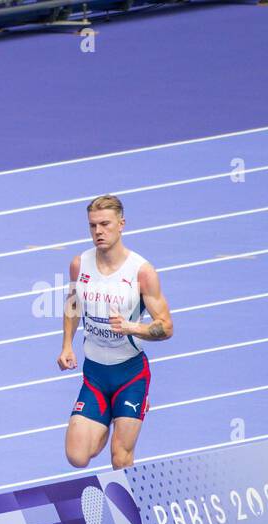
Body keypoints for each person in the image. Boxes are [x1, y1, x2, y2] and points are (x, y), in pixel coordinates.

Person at [60, 195, 172, 469]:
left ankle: (128, 411)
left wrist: (133, 327)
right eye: (92, 226)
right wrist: (66, 345)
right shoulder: (80, 264)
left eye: (105, 224)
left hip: (130, 374)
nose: (98, 231)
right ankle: (110, 415)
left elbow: (166, 327)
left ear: (121, 224)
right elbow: (73, 304)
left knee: (120, 457)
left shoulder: (141, 272)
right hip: (95, 374)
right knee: (77, 456)